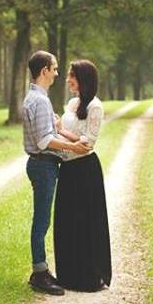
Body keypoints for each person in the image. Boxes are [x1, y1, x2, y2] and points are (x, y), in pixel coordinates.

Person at [22, 51, 91, 296]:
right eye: (54, 69)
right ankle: (39, 274)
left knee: (43, 220)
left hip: (43, 165)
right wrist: (72, 146)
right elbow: (44, 141)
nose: (57, 73)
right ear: (44, 71)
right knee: (41, 221)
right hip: (43, 166)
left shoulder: (36, 98)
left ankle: (42, 269)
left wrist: (63, 132)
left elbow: (48, 133)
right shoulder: (39, 100)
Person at [53, 59, 112, 292]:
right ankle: (67, 275)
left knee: (85, 223)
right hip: (67, 169)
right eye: (68, 75)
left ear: (84, 80)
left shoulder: (95, 106)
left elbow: (88, 142)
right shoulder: (72, 103)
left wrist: (61, 132)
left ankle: (88, 276)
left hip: (85, 170)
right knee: (66, 223)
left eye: (72, 77)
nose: (68, 80)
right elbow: (71, 138)